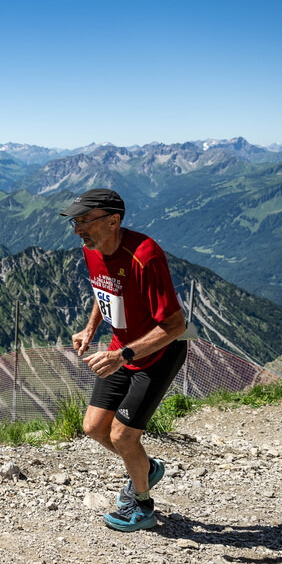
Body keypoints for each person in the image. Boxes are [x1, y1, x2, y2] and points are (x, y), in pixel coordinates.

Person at [63, 188, 188, 532]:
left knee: (122, 436)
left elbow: (176, 325)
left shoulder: (145, 256)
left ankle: (143, 506)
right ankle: (145, 469)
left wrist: (123, 354)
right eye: (76, 222)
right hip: (121, 351)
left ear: (113, 221)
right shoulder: (93, 250)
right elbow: (104, 289)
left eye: (85, 221)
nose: (78, 230)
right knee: (92, 427)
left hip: (157, 355)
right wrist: (90, 329)